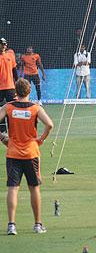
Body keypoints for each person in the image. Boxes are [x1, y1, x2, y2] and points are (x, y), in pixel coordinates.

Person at [0, 78, 53, 235]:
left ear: (16, 92)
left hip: (13, 153)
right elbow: (49, 124)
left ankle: (11, 225)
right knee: (34, 188)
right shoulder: (35, 108)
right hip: (31, 153)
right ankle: (37, 224)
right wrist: (41, 139)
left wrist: (2, 137)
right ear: (29, 91)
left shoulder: (8, 107)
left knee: (13, 188)